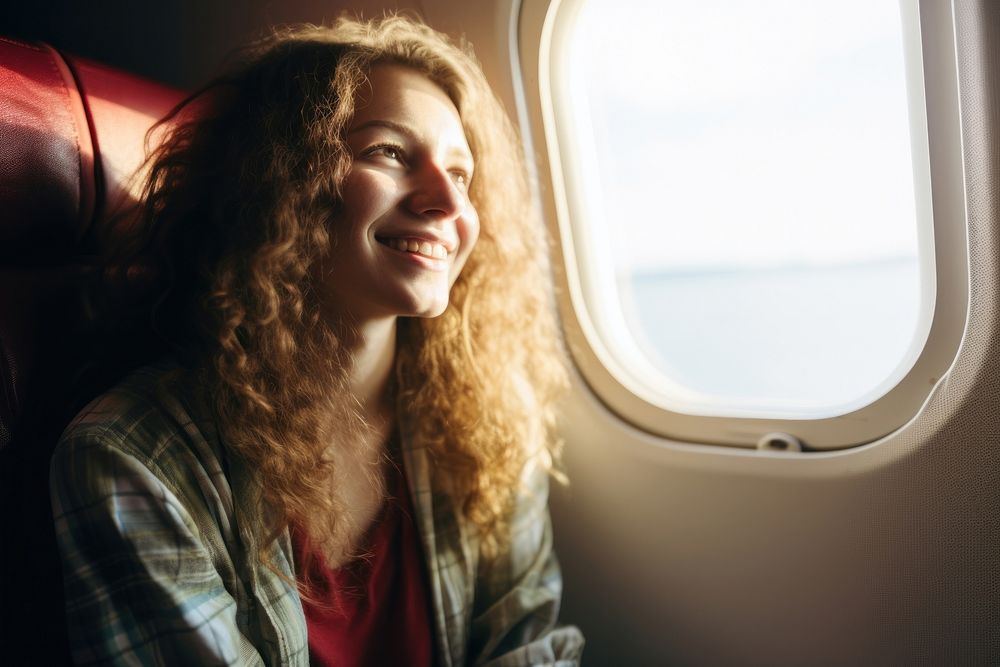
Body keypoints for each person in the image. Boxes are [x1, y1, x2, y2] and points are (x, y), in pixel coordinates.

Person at [49, 14, 584, 667]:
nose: (448, 202)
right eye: (388, 152)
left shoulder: (485, 424)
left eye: (461, 172)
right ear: (280, 184)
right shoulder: (132, 463)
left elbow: (527, 647)